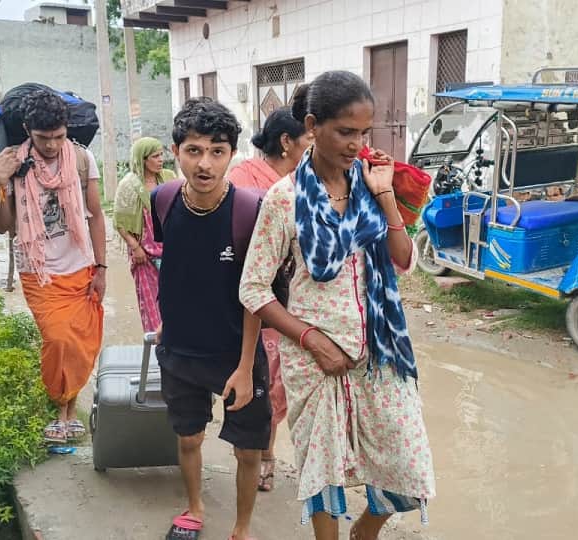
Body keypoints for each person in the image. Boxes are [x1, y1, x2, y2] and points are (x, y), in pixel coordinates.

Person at [239, 71, 436, 540]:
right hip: (314, 361)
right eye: (346, 132)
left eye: (364, 133)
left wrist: (386, 192)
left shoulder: (369, 183)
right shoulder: (283, 200)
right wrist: (312, 341)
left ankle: (364, 532)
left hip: (380, 351)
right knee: (323, 474)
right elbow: (253, 289)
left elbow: (404, 260)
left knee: (407, 468)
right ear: (313, 125)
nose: (356, 144)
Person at [153, 97, 271, 540]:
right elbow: (177, 266)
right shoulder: (162, 200)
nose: (205, 163)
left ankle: (242, 527)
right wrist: (168, 321)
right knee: (188, 438)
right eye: (194, 150)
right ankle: (195, 506)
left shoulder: (248, 211)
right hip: (180, 349)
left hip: (235, 352)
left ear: (232, 154)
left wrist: (244, 367)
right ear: (175, 151)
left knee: (247, 448)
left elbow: (255, 294)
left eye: (217, 151)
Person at [0, 89, 106, 444]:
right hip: (38, 269)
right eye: (43, 138)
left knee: (82, 342)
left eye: (58, 136)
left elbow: (96, 215)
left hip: (80, 264)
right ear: (27, 130)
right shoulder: (11, 163)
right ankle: (60, 405)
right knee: (57, 339)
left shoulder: (82, 159)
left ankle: (69, 404)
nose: (52, 145)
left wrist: (101, 267)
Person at [228, 107, 313, 493]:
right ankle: (255, 454)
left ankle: (268, 450)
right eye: (308, 140)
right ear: (286, 142)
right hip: (252, 295)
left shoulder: (310, 183)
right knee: (255, 375)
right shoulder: (244, 178)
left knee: (278, 382)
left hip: (294, 298)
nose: (313, 147)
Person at [113, 137, 175, 333]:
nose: (160, 160)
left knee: (176, 303)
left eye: (161, 155)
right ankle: (157, 349)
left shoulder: (170, 178)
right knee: (152, 308)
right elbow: (120, 222)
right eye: (155, 156)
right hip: (145, 257)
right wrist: (136, 247)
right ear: (142, 159)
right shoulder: (129, 186)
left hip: (172, 253)